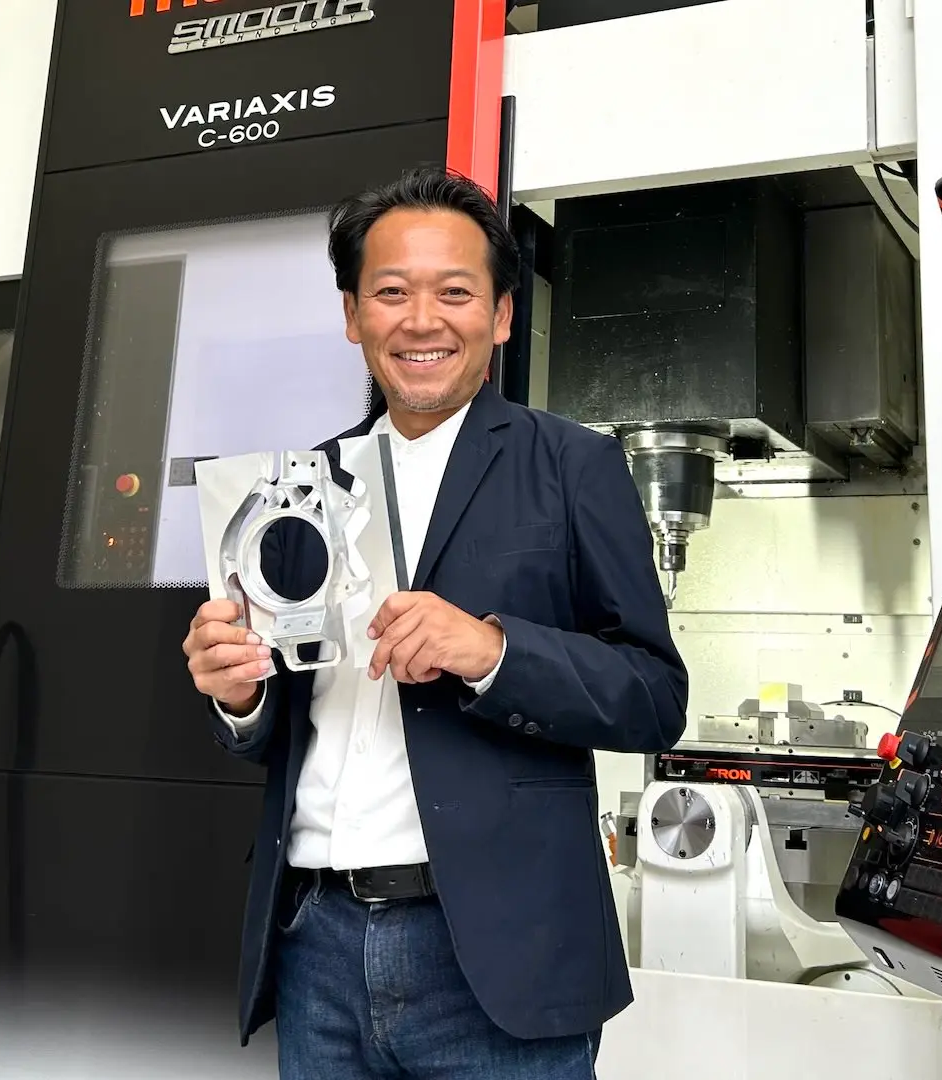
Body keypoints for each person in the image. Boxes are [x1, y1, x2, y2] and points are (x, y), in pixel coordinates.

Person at [180, 167, 688, 1079]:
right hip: (316, 947)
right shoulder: (293, 491)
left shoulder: (574, 466)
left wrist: (494, 652)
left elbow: (654, 696)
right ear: (352, 315)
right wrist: (239, 698)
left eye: (455, 292)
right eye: (391, 292)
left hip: (500, 951)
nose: (422, 321)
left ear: (498, 315)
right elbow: (277, 732)